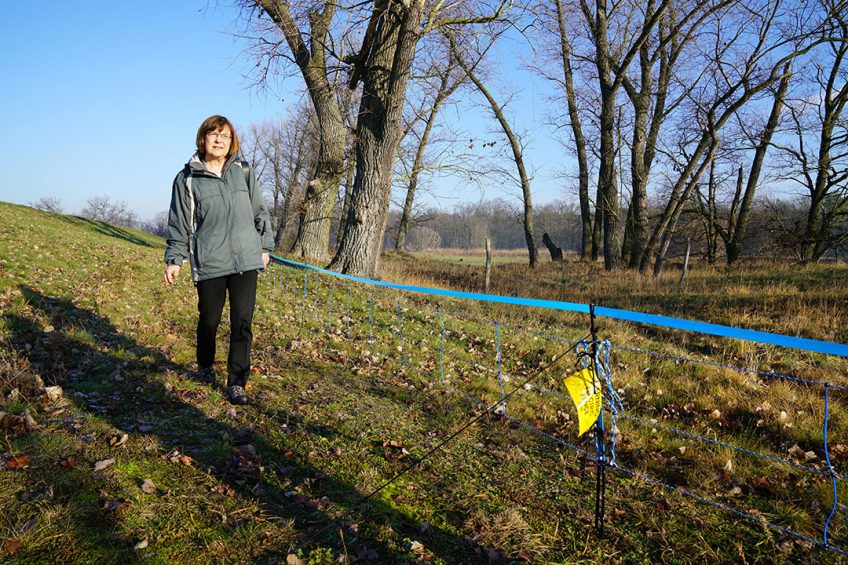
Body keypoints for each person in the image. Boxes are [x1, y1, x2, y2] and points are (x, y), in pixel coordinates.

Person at [163, 115, 274, 405]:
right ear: (203, 138)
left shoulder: (243, 171)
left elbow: (259, 211)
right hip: (210, 261)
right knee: (209, 320)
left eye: (225, 136)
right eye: (213, 134)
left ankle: (237, 382)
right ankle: (205, 365)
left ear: (231, 141)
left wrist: (265, 246)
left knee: (242, 322)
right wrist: (174, 259)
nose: (219, 140)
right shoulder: (187, 179)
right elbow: (179, 223)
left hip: (246, 260)